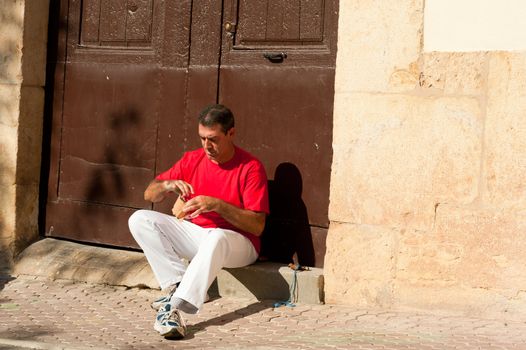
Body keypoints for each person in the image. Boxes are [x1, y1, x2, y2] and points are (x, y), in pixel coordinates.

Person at [128, 104, 269, 339]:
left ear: (231, 133)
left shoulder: (251, 167)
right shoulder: (192, 159)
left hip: (239, 244)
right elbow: (148, 194)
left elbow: (257, 225)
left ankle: (174, 307)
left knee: (217, 236)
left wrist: (217, 205)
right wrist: (167, 186)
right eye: (202, 138)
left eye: (213, 139)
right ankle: (177, 284)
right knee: (140, 219)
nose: (206, 146)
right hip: (198, 235)